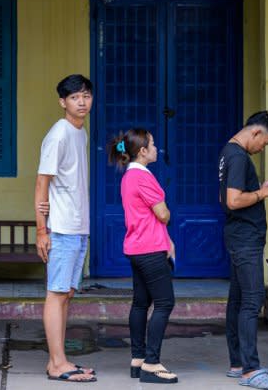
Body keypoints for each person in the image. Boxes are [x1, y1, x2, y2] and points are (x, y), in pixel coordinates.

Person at [35, 74, 97, 383]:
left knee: (67, 293)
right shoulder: (58, 135)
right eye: (75, 97)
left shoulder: (80, 133)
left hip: (77, 227)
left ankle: (59, 360)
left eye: (86, 95)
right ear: (63, 102)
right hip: (60, 229)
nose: (82, 101)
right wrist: (41, 231)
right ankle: (56, 363)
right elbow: (41, 186)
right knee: (56, 294)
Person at [218, 111, 268, 390]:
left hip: (239, 236)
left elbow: (234, 194)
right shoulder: (237, 156)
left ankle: (238, 363)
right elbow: (232, 201)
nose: (262, 149)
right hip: (245, 239)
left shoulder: (229, 152)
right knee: (252, 299)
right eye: (265, 143)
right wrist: (264, 194)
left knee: (238, 298)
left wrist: (257, 188)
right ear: (256, 133)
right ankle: (250, 370)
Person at [109, 128, 177, 384]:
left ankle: (137, 358)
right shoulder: (144, 177)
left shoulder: (128, 176)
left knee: (140, 303)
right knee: (164, 303)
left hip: (136, 247)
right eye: (153, 144)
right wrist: (167, 214)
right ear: (142, 151)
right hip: (150, 249)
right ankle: (152, 363)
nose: (157, 148)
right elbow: (162, 214)